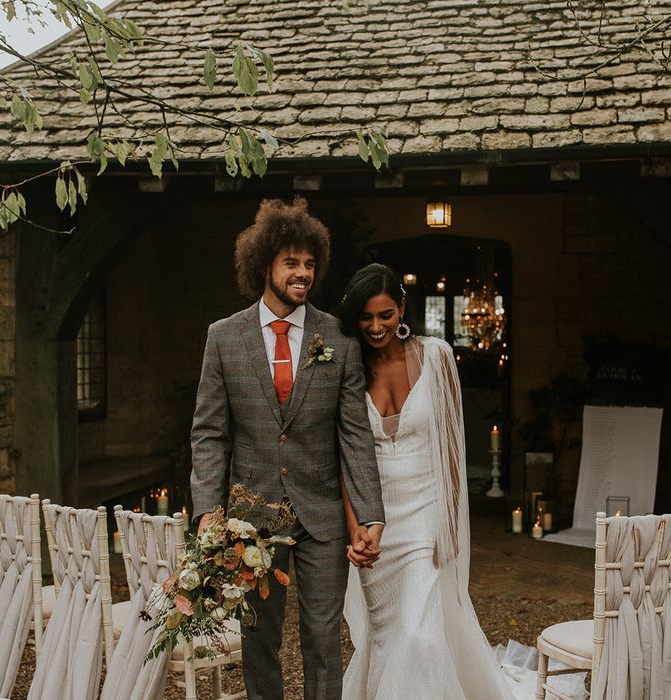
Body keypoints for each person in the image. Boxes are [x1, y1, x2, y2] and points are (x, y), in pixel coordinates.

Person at [190, 197, 385, 700]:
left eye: (310, 264)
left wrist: (369, 513)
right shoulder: (223, 338)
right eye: (291, 263)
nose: (302, 273)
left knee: (323, 638)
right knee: (259, 638)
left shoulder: (338, 339)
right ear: (264, 265)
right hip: (251, 517)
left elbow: (354, 434)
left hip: (321, 514)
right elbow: (210, 433)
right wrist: (209, 511)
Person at [339, 263, 514, 700]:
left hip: (426, 513)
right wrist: (354, 527)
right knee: (387, 635)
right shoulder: (345, 365)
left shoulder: (435, 356)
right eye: (366, 317)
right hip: (374, 521)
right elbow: (341, 456)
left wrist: (449, 525)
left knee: (420, 635)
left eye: (385, 315)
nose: (376, 327)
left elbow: (453, 452)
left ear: (402, 308)